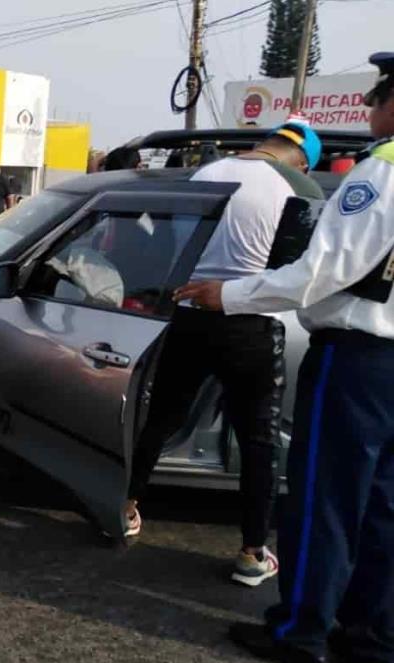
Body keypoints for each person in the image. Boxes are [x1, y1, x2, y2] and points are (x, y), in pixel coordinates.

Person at [174, 53, 394, 663]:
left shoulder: (379, 175)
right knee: (383, 509)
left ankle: (302, 631)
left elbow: (319, 274)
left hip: (358, 360)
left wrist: (230, 294)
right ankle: (372, 640)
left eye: (379, 93)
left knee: (327, 500)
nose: (371, 104)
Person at [123, 120, 325, 591]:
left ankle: (126, 506)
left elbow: (171, 245)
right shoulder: (297, 187)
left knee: (163, 417)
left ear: (267, 142)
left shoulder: (205, 174)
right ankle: (252, 553)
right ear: (301, 160)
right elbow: (296, 267)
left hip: (189, 313)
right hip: (249, 323)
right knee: (258, 438)